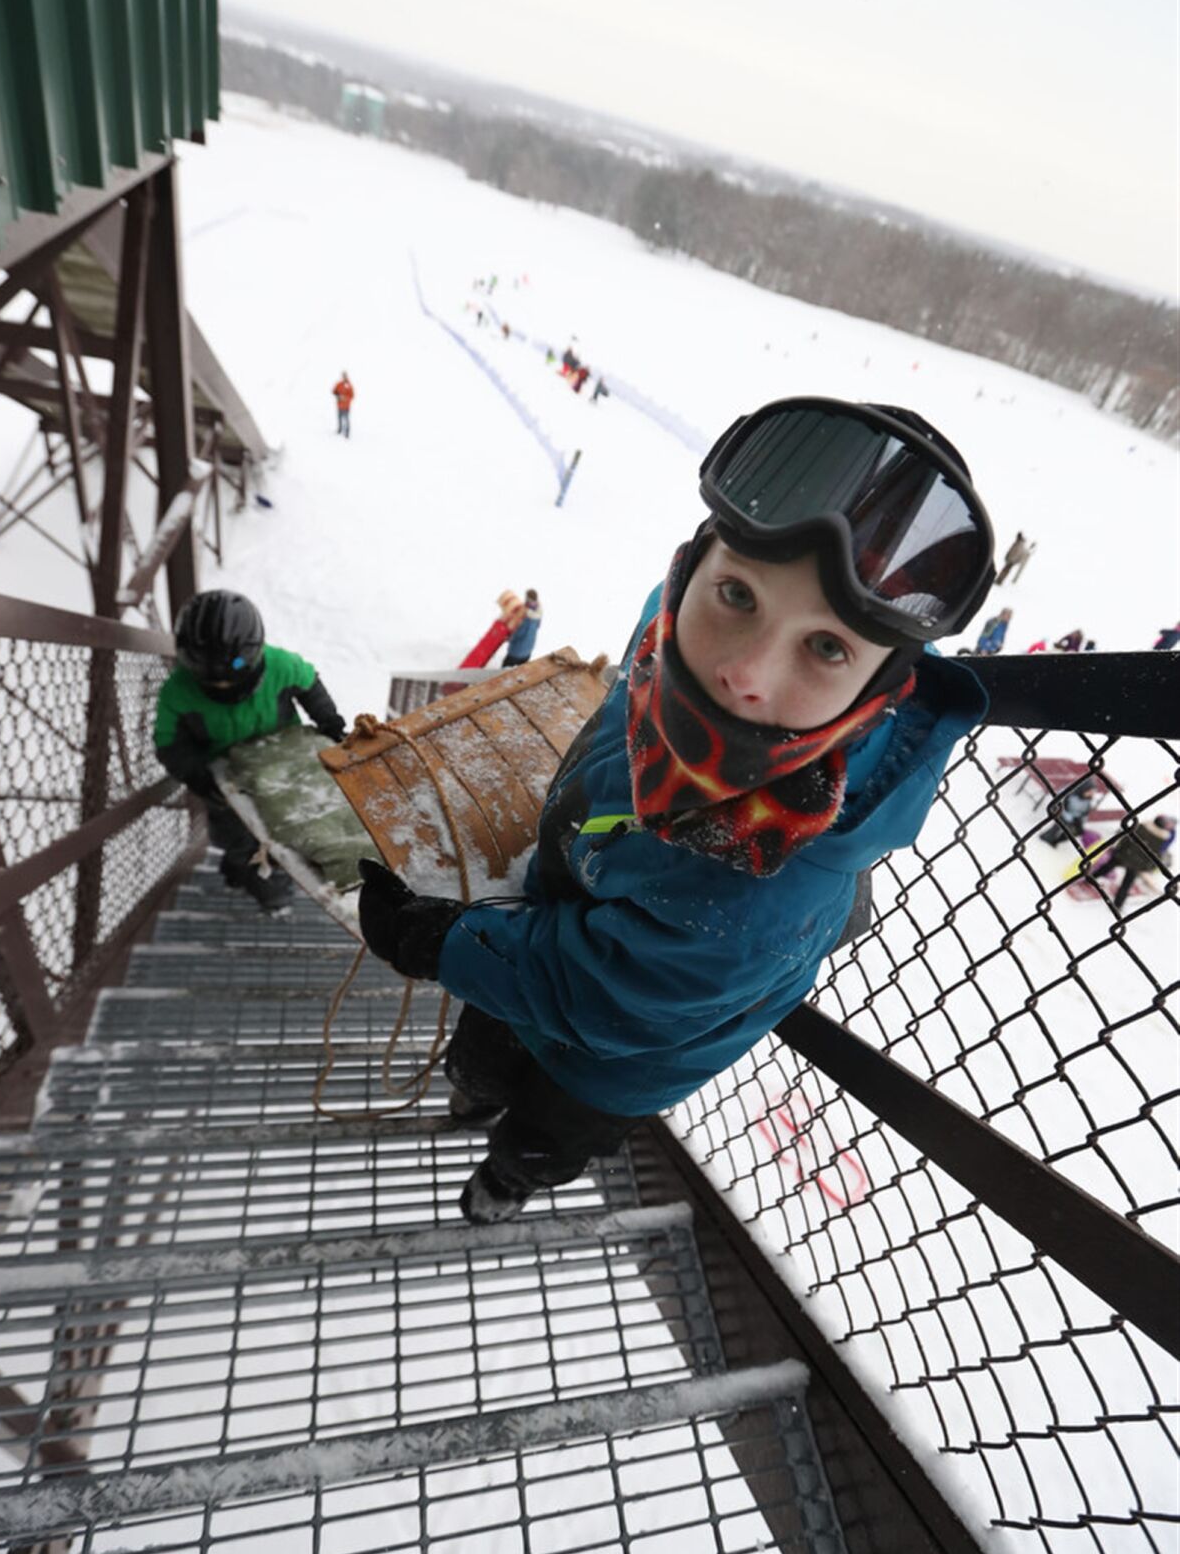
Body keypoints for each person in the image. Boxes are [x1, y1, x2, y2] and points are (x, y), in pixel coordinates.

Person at [356, 397, 995, 1224]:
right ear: (692, 567)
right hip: (555, 909)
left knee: (549, 1130)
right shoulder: (671, 633)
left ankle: (507, 1179)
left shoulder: (757, 890)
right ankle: (475, 1101)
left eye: (826, 646)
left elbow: (590, 994)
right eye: (738, 593)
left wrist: (428, 938)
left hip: (614, 1060)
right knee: (484, 1052)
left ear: (876, 690)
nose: (745, 673)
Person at [155, 591, 347, 911]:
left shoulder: (280, 666)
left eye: (232, 674)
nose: (222, 686)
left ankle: (276, 882)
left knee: (291, 826)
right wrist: (198, 777)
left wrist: (330, 722)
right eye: (209, 678)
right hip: (226, 777)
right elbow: (168, 743)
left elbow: (310, 684)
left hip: (283, 762)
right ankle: (259, 882)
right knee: (236, 837)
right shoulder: (178, 692)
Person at [1086, 815, 1175, 913]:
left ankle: (1091, 879)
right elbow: (1156, 854)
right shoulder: (1162, 839)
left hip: (1124, 854)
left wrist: (1118, 850)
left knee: (1107, 867)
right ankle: (1117, 905)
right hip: (1137, 863)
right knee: (1126, 884)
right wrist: (1149, 867)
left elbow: (1126, 839)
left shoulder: (1141, 826)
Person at [1041, 782, 1101, 847]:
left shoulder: (1088, 802)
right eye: (1090, 791)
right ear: (1085, 789)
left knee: (1076, 831)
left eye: (1093, 792)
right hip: (1062, 813)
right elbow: (1060, 802)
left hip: (1074, 819)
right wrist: (1069, 817)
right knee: (1060, 824)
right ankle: (1046, 837)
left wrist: (1080, 823)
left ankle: (1057, 840)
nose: (1091, 794)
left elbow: (1084, 814)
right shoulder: (1072, 794)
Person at [502, 590, 543, 666]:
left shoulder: (527, 618)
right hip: (528, 650)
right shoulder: (538, 614)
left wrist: (509, 638)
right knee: (521, 670)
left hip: (517, 651)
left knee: (505, 668)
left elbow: (518, 633)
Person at [332, 372, 354, 437]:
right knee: (339, 418)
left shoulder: (349, 386)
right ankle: (340, 429)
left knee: (346, 419)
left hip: (346, 406)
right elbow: (334, 391)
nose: (344, 377)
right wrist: (338, 395)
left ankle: (347, 432)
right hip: (339, 405)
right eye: (343, 376)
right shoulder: (339, 384)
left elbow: (352, 396)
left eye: (345, 376)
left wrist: (345, 398)